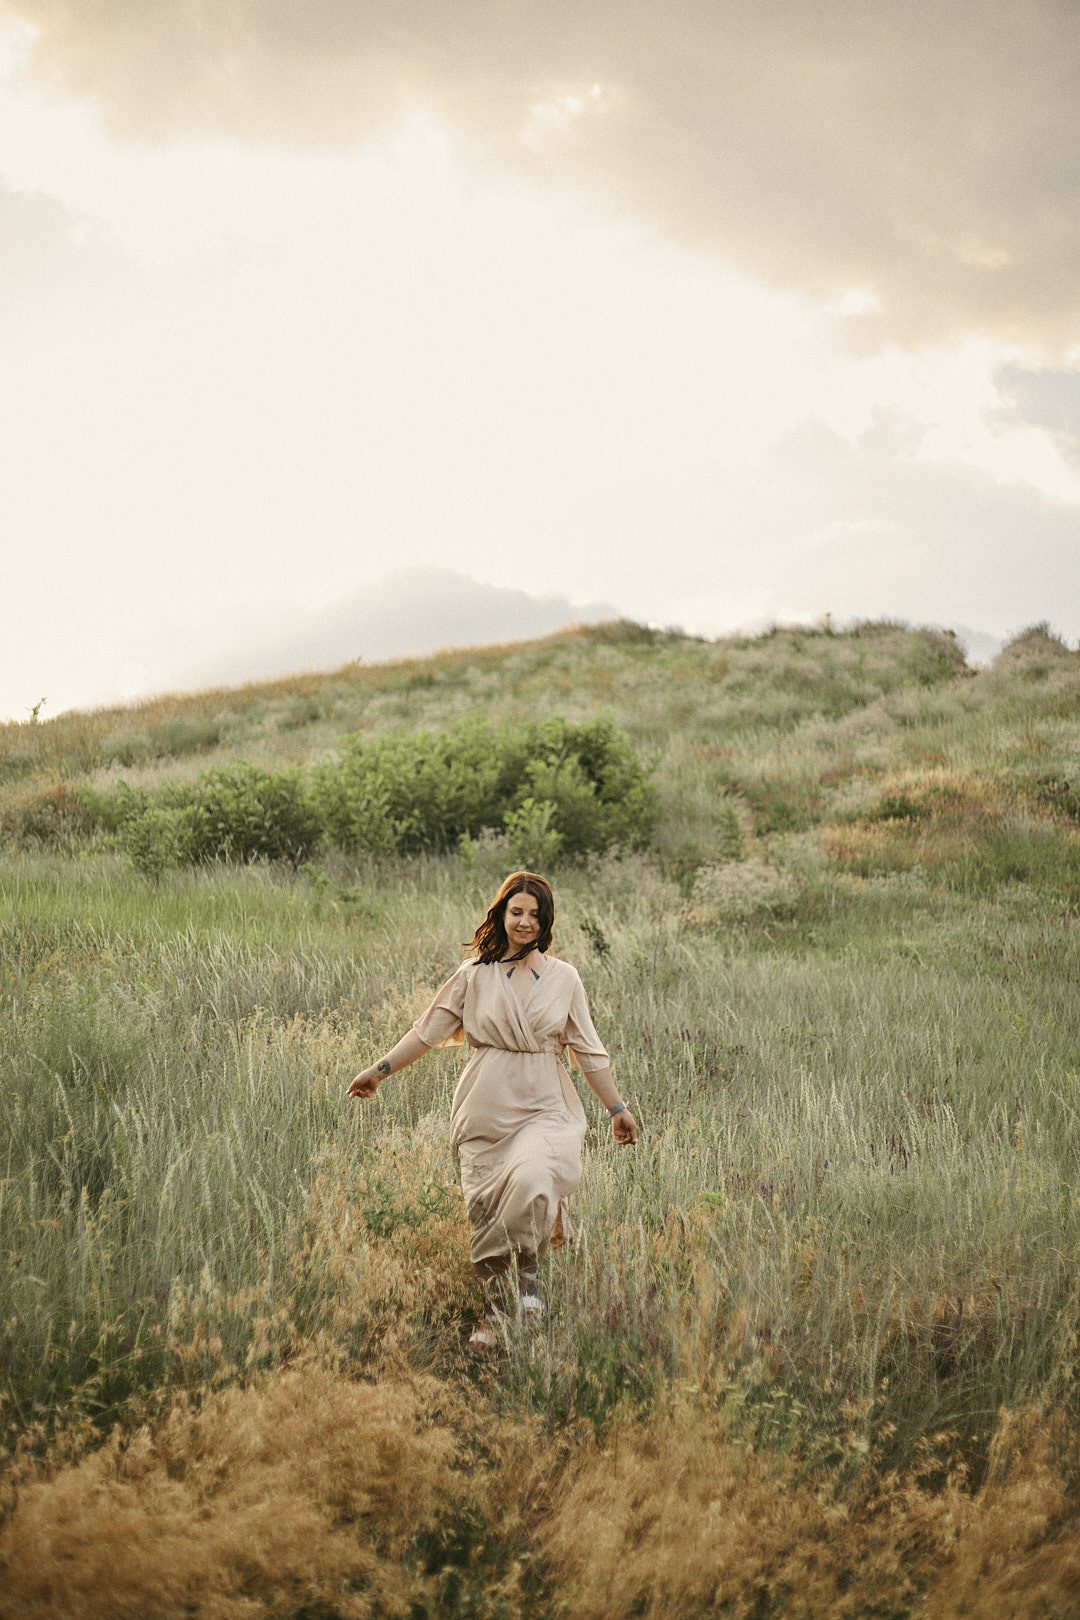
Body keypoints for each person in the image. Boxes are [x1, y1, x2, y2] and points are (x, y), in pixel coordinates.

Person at [348, 871, 637, 1350]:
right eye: (516, 911)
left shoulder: (564, 978)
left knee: (533, 1181)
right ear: (502, 914)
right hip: (485, 1105)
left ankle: (530, 1286)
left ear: (545, 921)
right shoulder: (473, 974)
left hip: (546, 1102)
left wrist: (616, 1108)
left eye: (534, 914)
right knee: (486, 1214)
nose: (524, 921)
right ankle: (492, 1315)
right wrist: (379, 1070)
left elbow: (587, 1049)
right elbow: (427, 1031)